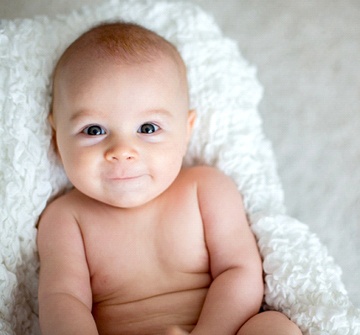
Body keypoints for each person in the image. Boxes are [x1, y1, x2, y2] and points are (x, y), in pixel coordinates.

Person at [37, 22, 302, 335]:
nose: (122, 151)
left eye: (148, 129)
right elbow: (63, 300)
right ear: (56, 137)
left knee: (274, 327)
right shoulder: (66, 218)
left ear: (186, 131)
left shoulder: (206, 189)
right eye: (94, 130)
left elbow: (240, 271)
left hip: (219, 328)